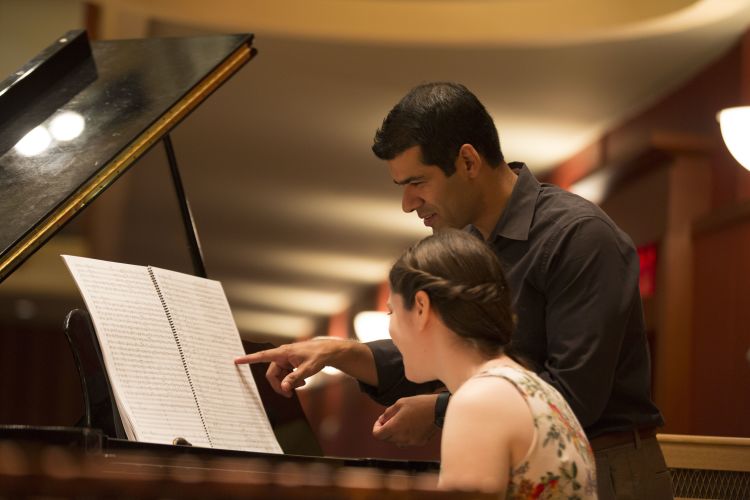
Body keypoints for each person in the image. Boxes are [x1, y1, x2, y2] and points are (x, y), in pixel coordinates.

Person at [236, 82, 672, 499]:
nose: (408, 203)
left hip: (611, 470)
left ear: (467, 161)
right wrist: (342, 353)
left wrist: (441, 410)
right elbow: (450, 348)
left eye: (418, 182)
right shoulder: (468, 242)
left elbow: (574, 396)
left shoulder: (577, 236)